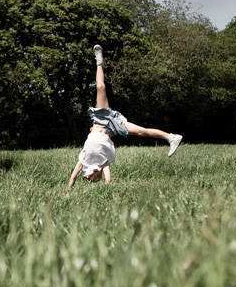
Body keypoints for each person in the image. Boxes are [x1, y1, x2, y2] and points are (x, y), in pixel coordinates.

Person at [68, 45, 182, 187]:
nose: (96, 174)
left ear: (87, 174)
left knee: (100, 87)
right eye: (97, 177)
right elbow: (108, 180)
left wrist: (68, 191)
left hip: (100, 120)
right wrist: (106, 186)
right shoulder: (103, 162)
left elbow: (72, 177)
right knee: (141, 131)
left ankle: (99, 61)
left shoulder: (83, 160)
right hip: (113, 128)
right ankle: (171, 137)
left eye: (93, 176)